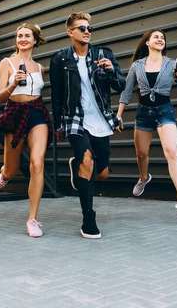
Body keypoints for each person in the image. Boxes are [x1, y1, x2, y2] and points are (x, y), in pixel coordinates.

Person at [49, 12, 125, 239]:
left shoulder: (104, 54)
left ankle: (79, 168)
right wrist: (58, 125)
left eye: (89, 28)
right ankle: (88, 218)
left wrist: (111, 71)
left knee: (100, 173)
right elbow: (57, 94)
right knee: (87, 160)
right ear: (70, 32)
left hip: (100, 118)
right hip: (75, 118)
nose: (87, 32)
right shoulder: (60, 59)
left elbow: (121, 85)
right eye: (82, 28)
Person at [116, 29, 177, 218]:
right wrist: (118, 115)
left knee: (171, 152)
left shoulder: (172, 63)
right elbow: (126, 92)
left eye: (163, 38)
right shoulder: (137, 65)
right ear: (147, 43)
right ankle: (144, 178)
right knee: (141, 154)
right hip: (143, 114)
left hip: (165, 112)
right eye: (156, 37)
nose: (160, 39)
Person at [0, 23, 52, 238]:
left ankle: (32, 219)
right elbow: (0, 98)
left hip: (37, 113)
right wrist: (12, 85)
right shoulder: (6, 63)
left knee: (37, 163)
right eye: (19, 36)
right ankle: (5, 172)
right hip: (14, 113)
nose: (23, 39)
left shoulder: (41, 68)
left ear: (35, 40)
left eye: (27, 36)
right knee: (12, 170)